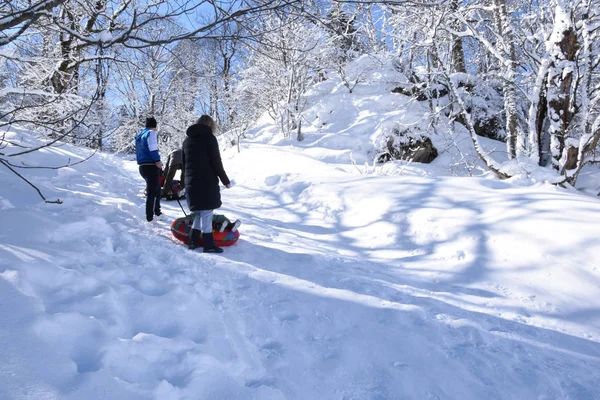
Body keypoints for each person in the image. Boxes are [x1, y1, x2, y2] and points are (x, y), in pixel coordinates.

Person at [182, 115, 231, 252]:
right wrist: (225, 180)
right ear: (210, 125)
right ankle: (209, 245)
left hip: (191, 181)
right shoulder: (210, 138)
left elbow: (184, 164)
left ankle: (193, 241)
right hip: (206, 181)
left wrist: (184, 182)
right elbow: (216, 162)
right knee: (207, 212)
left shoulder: (187, 140)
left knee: (198, 212)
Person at [135, 117, 163, 222]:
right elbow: (153, 147)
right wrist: (157, 160)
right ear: (154, 126)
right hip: (151, 165)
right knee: (152, 191)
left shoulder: (139, 135)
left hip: (142, 166)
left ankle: (157, 212)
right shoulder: (151, 133)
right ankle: (150, 217)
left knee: (156, 189)